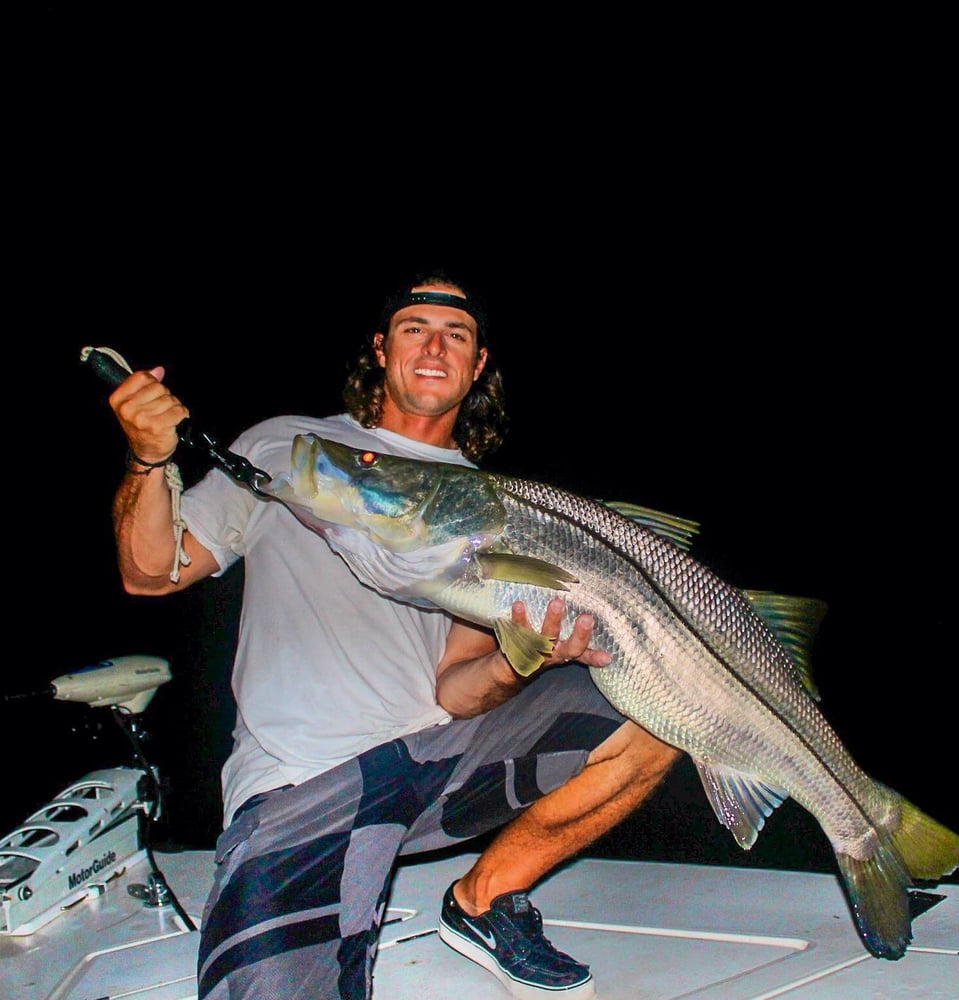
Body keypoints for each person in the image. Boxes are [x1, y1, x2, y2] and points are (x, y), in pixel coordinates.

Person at [109, 272, 682, 1000]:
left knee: (658, 711)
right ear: (382, 349)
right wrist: (149, 457)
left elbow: (459, 688)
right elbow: (151, 572)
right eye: (415, 328)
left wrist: (520, 653)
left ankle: (483, 898)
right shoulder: (294, 448)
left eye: (457, 334)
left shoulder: (493, 505)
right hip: (303, 781)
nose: (435, 346)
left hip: (433, 761)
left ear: (477, 366)